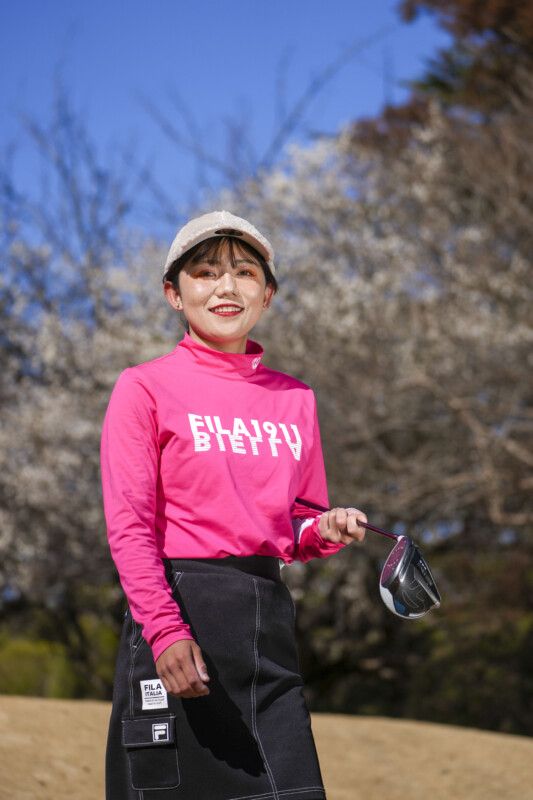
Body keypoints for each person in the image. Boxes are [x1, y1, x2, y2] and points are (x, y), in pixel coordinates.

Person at [100, 209, 367, 800]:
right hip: (178, 618)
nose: (226, 287)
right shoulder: (143, 387)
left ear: (267, 295)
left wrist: (325, 525)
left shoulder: (296, 398)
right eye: (204, 273)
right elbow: (129, 526)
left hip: (265, 621)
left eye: (245, 272)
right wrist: (166, 632)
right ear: (174, 292)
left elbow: (295, 524)